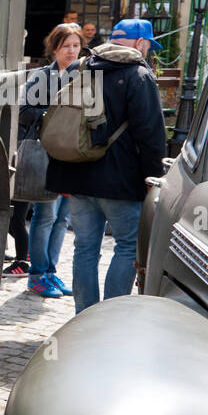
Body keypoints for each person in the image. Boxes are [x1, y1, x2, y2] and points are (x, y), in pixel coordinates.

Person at [45, 19, 167, 313]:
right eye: (148, 45)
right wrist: (153, 177)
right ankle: (109, 318)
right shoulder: (139, 75)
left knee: (85, 247)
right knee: (126, 247)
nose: (149, 50)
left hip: (77, 174)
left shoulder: (80, 67)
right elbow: (151, 135)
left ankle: (84, 315)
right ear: (140, 43)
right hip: (121, 182)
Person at [19, 24, 82, 297]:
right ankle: (37, 275)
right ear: (55, 48)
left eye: (76, 46)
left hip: (75, 155)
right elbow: (24, 110)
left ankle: (51, 272)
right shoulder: (42, 76)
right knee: (45, 216)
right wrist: (54, 116)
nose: (71, 51)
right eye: (66, 46)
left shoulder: (85, 76)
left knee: (62, 218)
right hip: (47, 153)